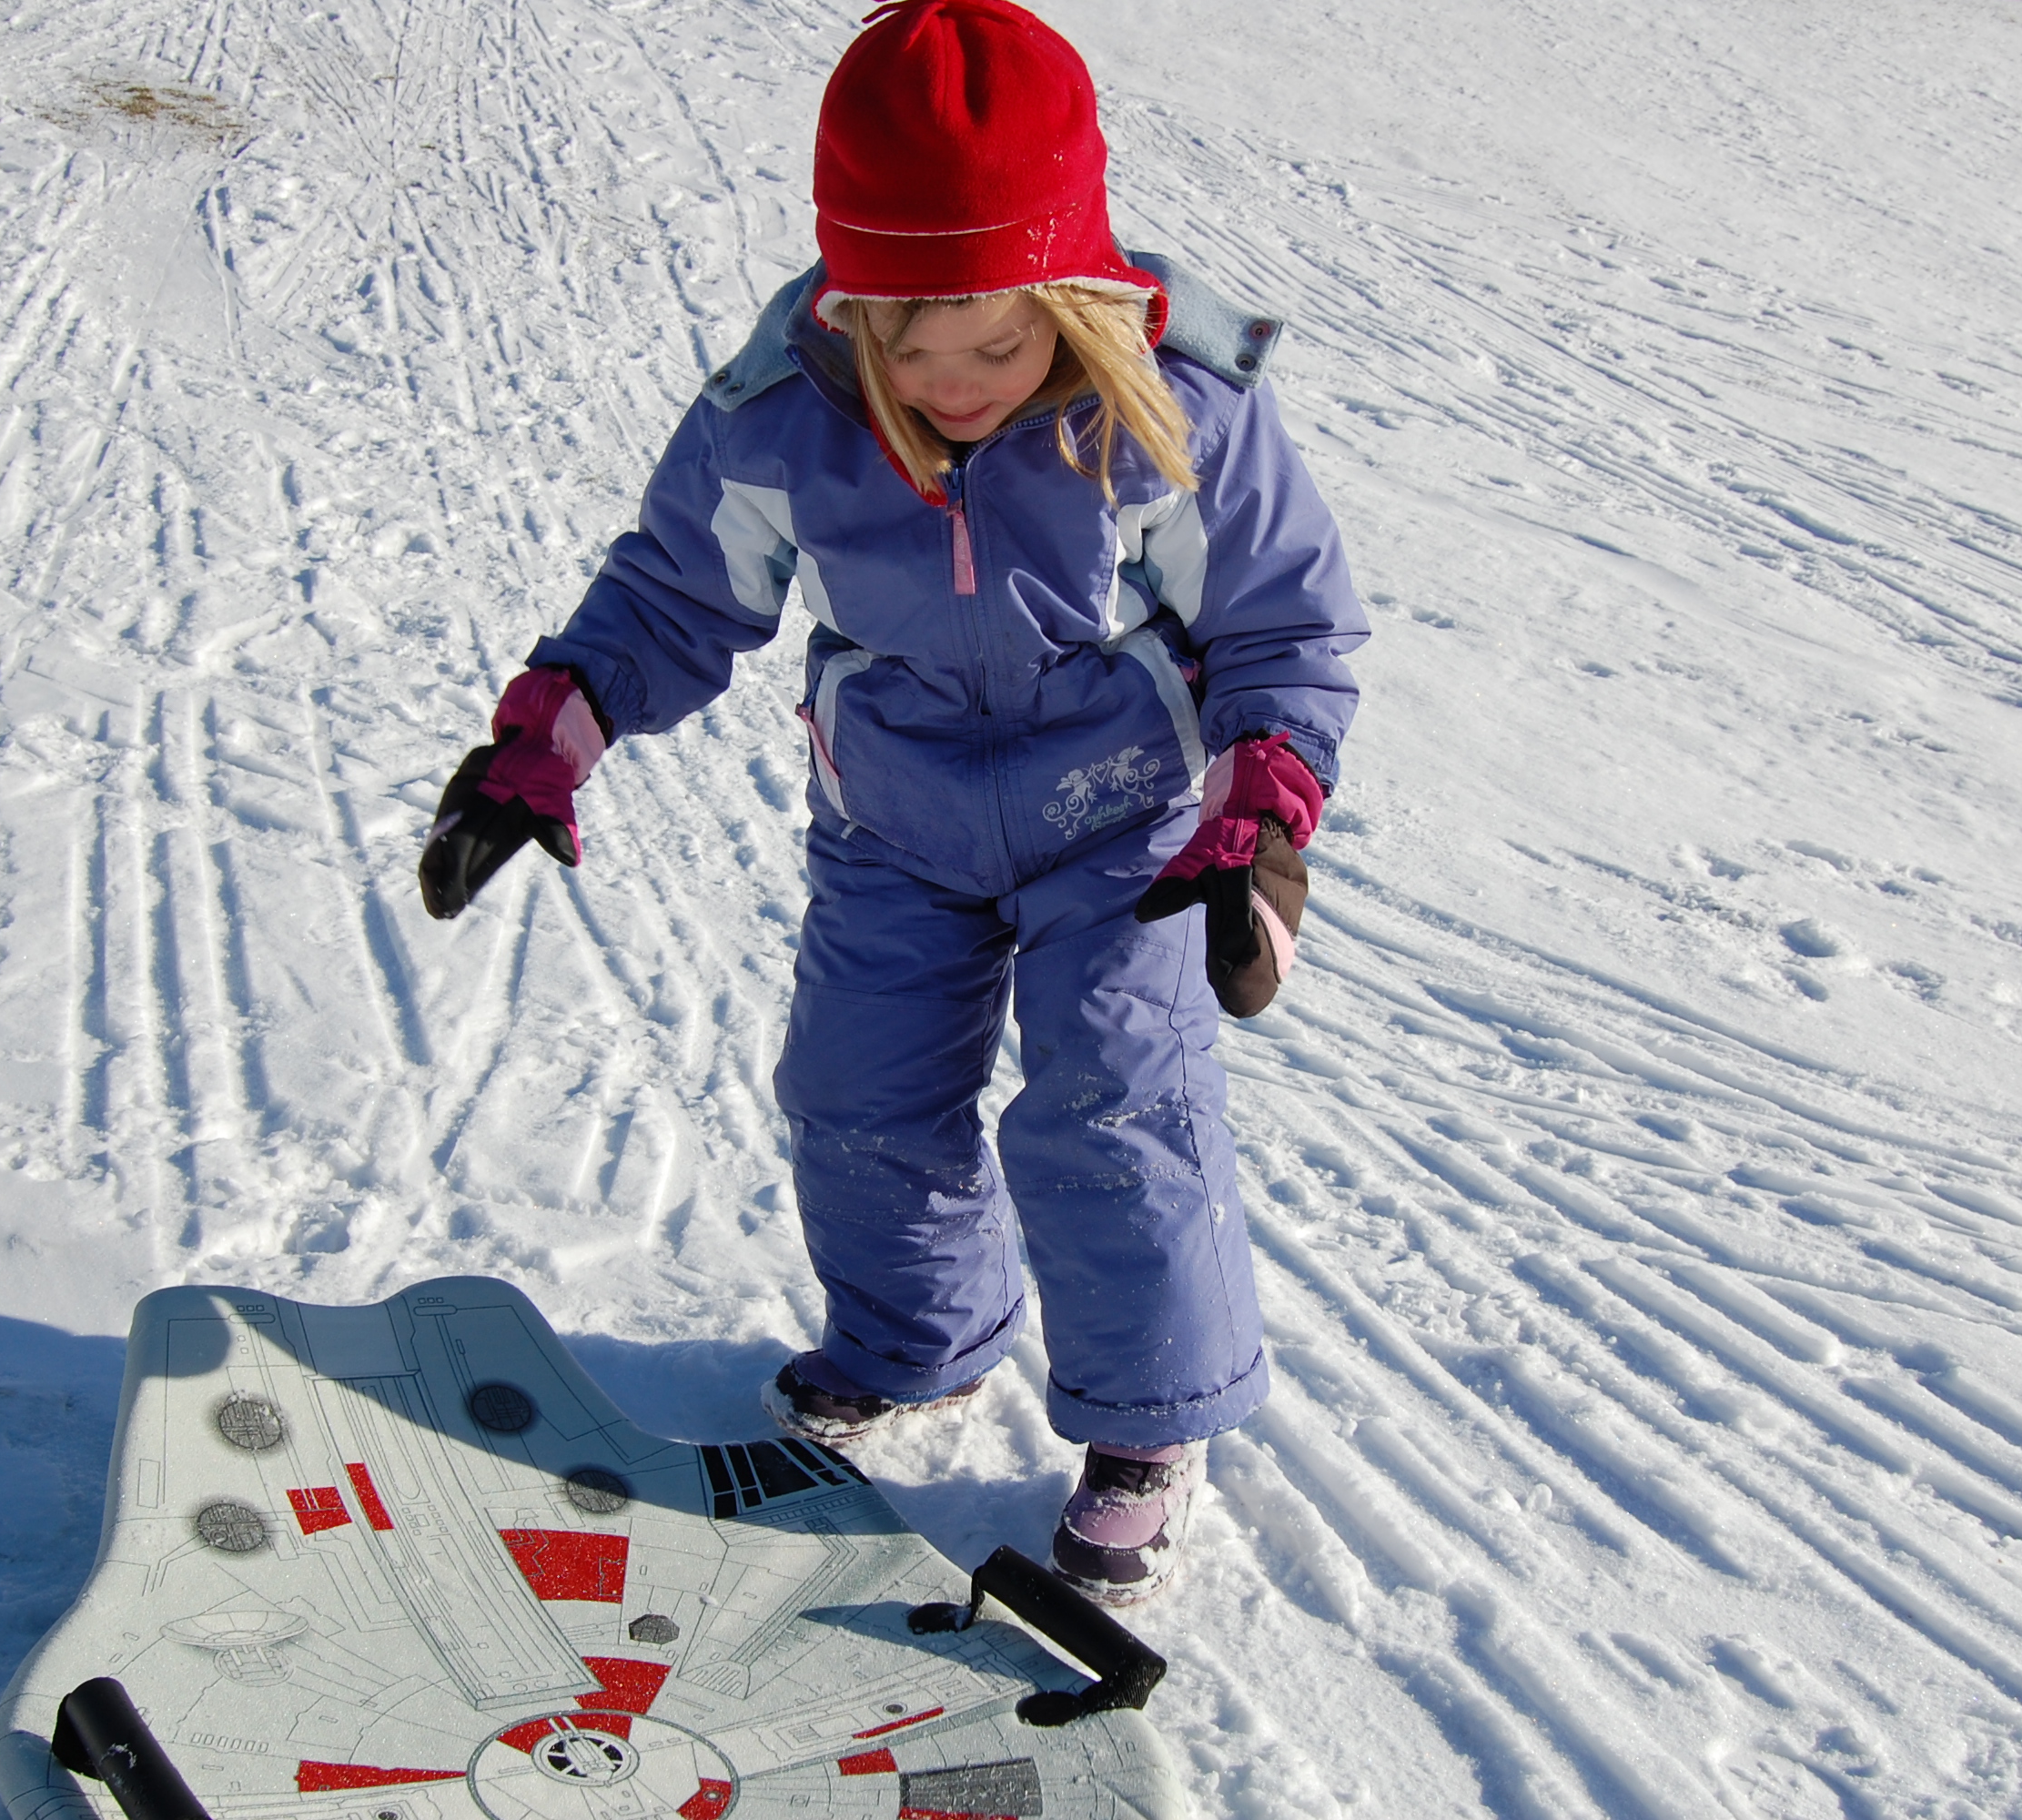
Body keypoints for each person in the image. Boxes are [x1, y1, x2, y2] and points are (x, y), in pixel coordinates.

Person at [418, 0, 1364, 1606]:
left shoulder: (1172, 412)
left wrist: (1259, 818)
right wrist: (545, 743)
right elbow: (672, 595)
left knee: (1112, 1099)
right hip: (896, 821)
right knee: (853, 1092)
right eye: (905, 347)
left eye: (995, 344)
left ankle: (1147, 1426)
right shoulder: (789, 416)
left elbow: (1281, 625)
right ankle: (922, 1338)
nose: (950, 384)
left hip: (1123, 827)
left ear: (1070, 294)